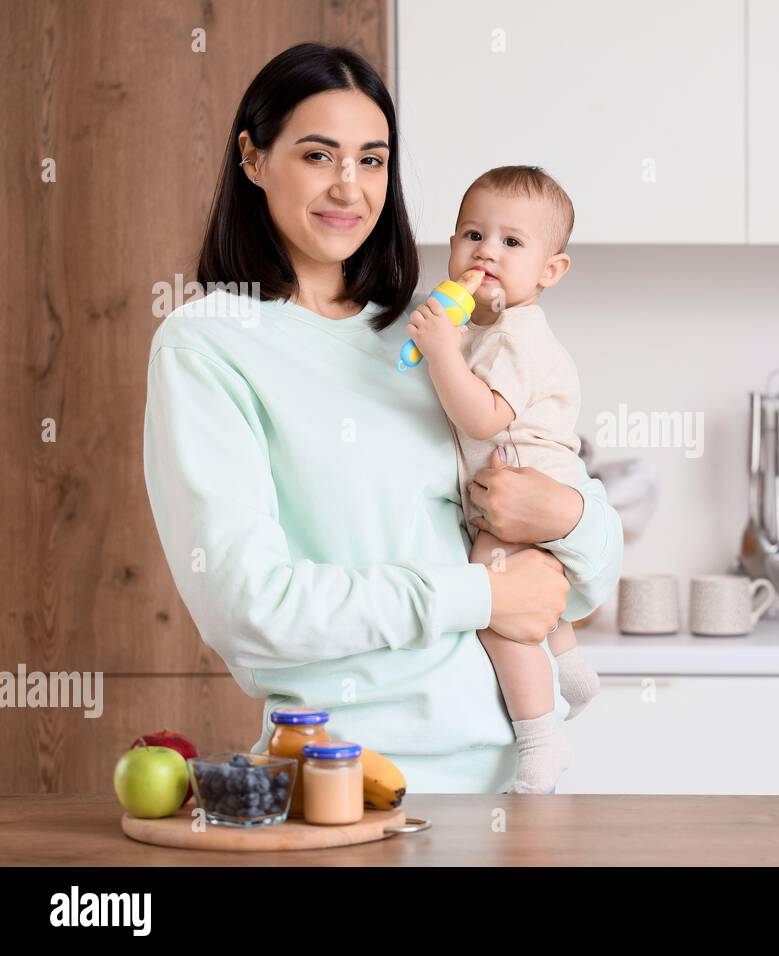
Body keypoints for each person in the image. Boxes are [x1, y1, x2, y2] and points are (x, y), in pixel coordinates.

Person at [142, 43, 622, 794]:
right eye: (317, 154)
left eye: (372, 160)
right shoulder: (207, 345)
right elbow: (250, 608)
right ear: (253, 157)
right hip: (355, 782)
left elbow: (586, 576)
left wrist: (565, 512)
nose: (348, 186)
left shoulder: (427, 335)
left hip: (523, 776)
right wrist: (484, 595)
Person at [406, 165, 601, 794]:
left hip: (526, 479)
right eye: (472, 234)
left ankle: (542, 738)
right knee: (528, 588)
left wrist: (440, 352)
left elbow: (484, 414)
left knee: (496, 601)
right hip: (508, 481)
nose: (486, 251)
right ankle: (571, 670)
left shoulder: (520, 334)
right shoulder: (486, 327)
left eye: (511, 243)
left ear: (551, 271)